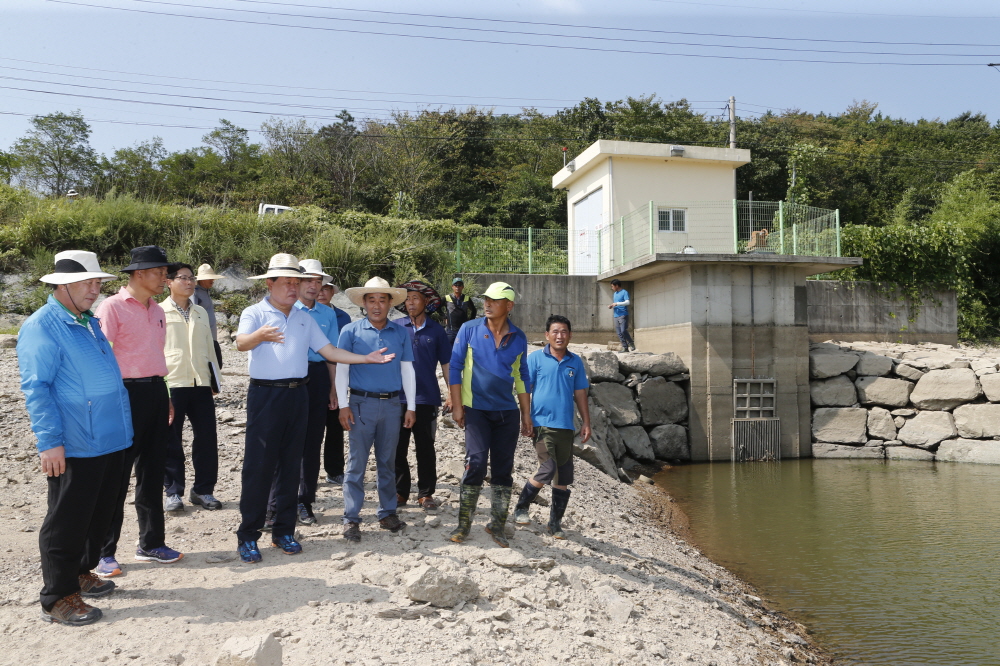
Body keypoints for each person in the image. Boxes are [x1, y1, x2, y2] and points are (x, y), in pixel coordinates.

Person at [235, 254, 396, 563]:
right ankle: (248, 535)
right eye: (287, 282)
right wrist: (260, 336)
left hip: (299, 394)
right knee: (259, 466)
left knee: (291, 464)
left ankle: (284, 531)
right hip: (265, 396)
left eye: (297, 282)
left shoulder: (303, 318)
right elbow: (241, 343)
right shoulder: (254, 312)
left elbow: (330, 350)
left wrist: (366, 358)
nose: (293, 288)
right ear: (270, 284)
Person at [18, 251, 131, 625]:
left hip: (110, 438)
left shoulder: (88, 322)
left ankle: (81, 571)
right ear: (62, 285)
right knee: (66, 521)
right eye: (89, 282)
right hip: (76, 441)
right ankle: (57, 596)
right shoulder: (42, 326)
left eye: (99, 282)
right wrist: (50, 441)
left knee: (100, 514)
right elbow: (38, 388)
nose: (96, 289)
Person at [94, 245, 184, 577]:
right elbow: (102, 359)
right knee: (116, 476)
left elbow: (154, 358)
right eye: (160, 272)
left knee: (152, 471)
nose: (165, 277)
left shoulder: (157, 311)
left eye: (165, 272)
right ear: (139, 274)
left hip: (156, 392)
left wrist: (167, 395)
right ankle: (104, 552)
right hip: (125, 394)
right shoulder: (112, 308)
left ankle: (151, 543)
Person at [448, 281, 531, 548]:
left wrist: (526, 415)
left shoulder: (518, 337)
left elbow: (521, 376)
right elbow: (455, 367)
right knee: (476, 462)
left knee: (503, 469)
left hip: (507, 413)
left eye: (494, 300)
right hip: (476, 410)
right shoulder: (469, 329)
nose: (487, 304)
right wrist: (458, 405)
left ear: (509, 306)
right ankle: (464, 523)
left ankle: (497, 524)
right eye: (486, 299)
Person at [336, 277, 416, 542]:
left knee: (387, 462)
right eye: (372, 300)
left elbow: (407, 370)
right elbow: (342, 369)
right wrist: (344, 405)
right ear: (364, 303)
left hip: (393, 405)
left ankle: (387, 512)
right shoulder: (350, 331)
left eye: (383, 300)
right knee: (356, 463)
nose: (377, 305)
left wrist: (411, 406)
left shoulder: (401, 332)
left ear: (390, 303)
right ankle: (351, 518)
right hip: (361, 404)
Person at [263, 259, 339, 528]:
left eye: (318, 281)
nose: (314, 286)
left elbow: (331, 355)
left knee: (311, 443)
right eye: (308, 280)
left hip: (317, 378)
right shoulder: (281, 309)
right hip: (287, 377)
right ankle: (275, 504)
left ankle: (304, 501)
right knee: (280, 442)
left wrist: (334, 388)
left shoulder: (327, 314)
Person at [513, 315, 591, 539]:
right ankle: (521, 507)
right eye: (555, 332)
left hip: (566, 426)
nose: (560, 336)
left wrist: (586, 422)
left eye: (564, 331)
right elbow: (525, 390)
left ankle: (555, 523)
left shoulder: (575, 362)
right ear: (547, 335)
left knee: (563, 477)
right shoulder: (535, 358)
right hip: (541, 424)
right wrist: (525, 417)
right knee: (547, 468)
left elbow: (580, 394)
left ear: (570, 335)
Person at [161, 263, 222, 513]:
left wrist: (214, 379)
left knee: (207, 439)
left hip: (201, 384)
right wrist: (161, 389)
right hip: (173, 383)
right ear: (169, 282)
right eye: (183, 278)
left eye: (191, 278)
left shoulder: (200, 312)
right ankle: (173, 492)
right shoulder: (158, 312)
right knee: (171, 440)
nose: (189, 282)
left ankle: (203, 490)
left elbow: (209, 348)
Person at [394, 280, 451, 512]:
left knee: (426, 447)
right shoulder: (396, 327)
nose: (410, 302)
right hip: (397, 397)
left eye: (415, 298)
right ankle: (400, 492)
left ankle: (426, 494)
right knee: (397, 447)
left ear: (426, 302)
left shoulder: (437, 331)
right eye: (407, 298)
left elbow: (447, 364)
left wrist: (452, 395)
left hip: (427, 398)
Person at [318, 280, 352, 485]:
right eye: (319, 288)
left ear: (332, 292)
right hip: (310, 372)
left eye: (326, 288)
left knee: (335, 423)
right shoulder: (302, 313)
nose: (321, 293)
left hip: (338, 371)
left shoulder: (343, 317)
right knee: (310, 425)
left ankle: (334, 470)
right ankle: (307, 472)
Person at [192, 263, 225, 368]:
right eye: (209, 278)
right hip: (203, 338)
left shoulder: (206, 291)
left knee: (217, 366)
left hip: (212, 337)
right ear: (202, 280)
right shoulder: (195, 292)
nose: (212, 280)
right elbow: (193, 313)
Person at [444, 277, 476, 345]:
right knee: (449, 350)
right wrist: (444, 317)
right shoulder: (447, 298)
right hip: (451, 331)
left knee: (463, 349)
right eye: (456, 285)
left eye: (460, 285)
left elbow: (474, 310)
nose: (457, 287)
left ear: (463, 287)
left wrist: (470, 322)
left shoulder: (466, 298)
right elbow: (437, 307)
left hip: (463, 330)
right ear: (452, 286)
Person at [609, 279, 636, 352]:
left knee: (623, 330)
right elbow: (616, 303)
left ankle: (631, 342)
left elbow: (627, 302)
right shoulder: (615, 294)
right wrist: (612, 305)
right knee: (619, 332)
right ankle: (625, 347)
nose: (612, 288)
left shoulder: (624, 292)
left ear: (616, 285)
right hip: (616, 315)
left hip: (623, 314)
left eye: (612, 286)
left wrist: (617, 303)